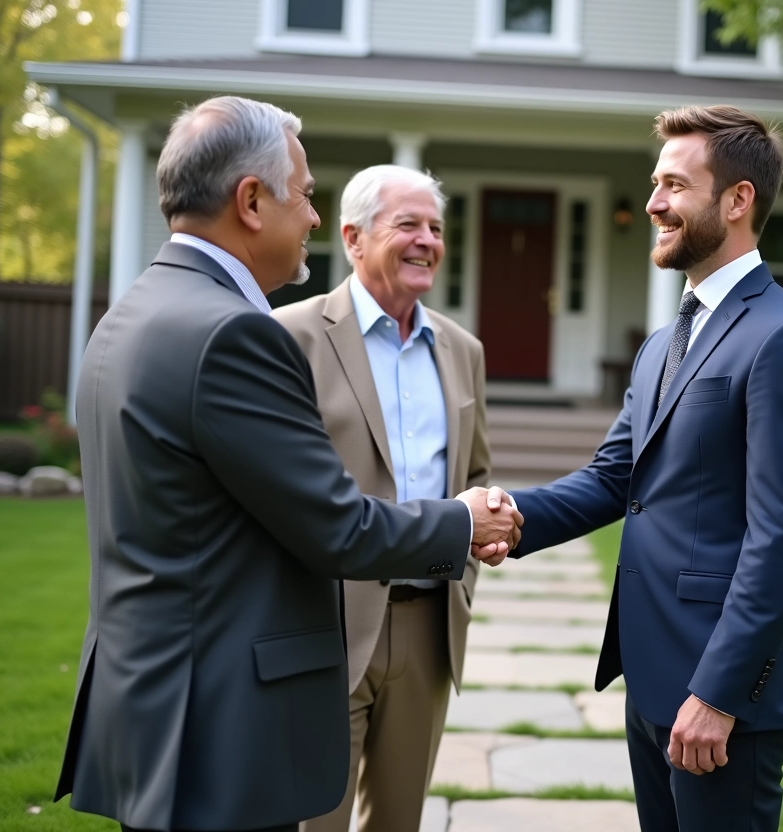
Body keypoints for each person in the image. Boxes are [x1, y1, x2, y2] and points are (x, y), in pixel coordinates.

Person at [53, 96, 521, 832]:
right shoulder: (239, 335)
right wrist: (460, 522)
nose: (309, 217)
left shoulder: (133, 312)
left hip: (151, 699)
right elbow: (335, 527)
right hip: (220, 716)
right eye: (302, 196)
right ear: (250, 201)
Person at [499, 104, 783, 831]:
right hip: (653, 676)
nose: (653, 202)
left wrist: (718, 695)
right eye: (655, 184)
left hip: (719, 700)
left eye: (674, 185)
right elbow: (613, 479)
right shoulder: (664, 343)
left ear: (737, 200)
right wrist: (503, 520)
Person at [273, 165, 489, 832]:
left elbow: (475, 471)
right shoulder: (289, 336)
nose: (427, 240)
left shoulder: (463, 350)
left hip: (429, 625)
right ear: (353, 238)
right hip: (322, 624)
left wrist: (484, 526)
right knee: (314, 823)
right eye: (408, 225)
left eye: (436, 227)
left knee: (399, 823)